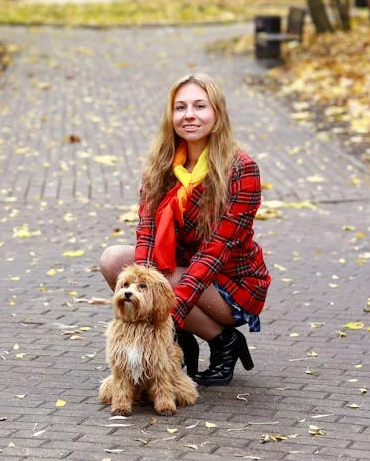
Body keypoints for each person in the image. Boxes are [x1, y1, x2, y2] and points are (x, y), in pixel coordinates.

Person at [99, 72, 271, 386]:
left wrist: (162, 320)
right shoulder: (160, 164)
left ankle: (224, 341)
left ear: (217, 115)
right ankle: (182, 340)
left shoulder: (241, 168)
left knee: (164, 280)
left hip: (231, 281)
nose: (189, 115)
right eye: (180, 108)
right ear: (171, 116)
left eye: (200, 106)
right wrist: (145, 290)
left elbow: (215, 253)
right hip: (179, 271)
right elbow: (148, 232)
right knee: (114, 261)